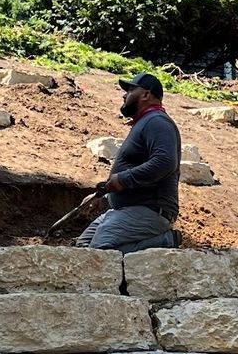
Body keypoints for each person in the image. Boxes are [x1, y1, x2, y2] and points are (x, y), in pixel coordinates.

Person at [76, 71, 182, 252]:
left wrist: (123, 179)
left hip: (150, 210)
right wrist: (105, 198)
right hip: (127, 209)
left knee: (98, 253)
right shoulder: (146, 122)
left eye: (131, 90)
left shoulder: (157, 122)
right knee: (83, 246)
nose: (125, 95)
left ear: (146, 95)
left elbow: (165, 162)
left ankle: (165, 241)